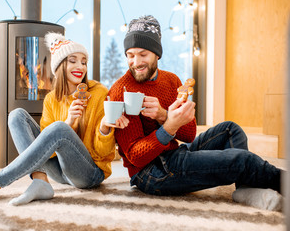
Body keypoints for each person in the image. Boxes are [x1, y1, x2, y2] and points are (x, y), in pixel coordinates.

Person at [108, 15, 283, 211]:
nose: (135, 62)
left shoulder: (171, 81)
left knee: (230, 130)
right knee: (243, 160)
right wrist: (168, 126)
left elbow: (189, 135)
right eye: (130, 55)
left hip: (173, 154)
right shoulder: (121, 90)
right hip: (150, 173)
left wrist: (164, 116)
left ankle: (246, 189)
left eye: (143, 54)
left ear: (157, 53)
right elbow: (135, 157)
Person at [0, 33, 129, 209]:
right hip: (59, 172)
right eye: (73, 60)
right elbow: (48, 152)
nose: (80, 66)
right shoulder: (52, 98)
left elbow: (104, 153)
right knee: (16, 115)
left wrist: (104, 128)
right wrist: (69, 123)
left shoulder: (98, 93)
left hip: (89, 174)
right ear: (60, 65)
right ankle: (40, 180)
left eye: (83, 62)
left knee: (59, 128)